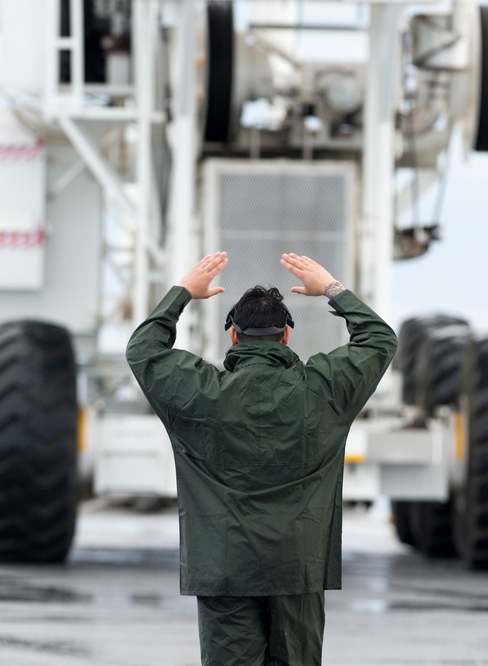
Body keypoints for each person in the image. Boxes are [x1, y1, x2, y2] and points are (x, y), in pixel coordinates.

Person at [127, 252, 397, 666]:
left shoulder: (199, 393)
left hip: (223, 568)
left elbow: (144, 350)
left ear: (233, 337)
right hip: (298, 568)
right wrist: (332, 287)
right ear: (287, 336)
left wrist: (182, 293)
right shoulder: (323, 389)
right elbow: (379, 339)